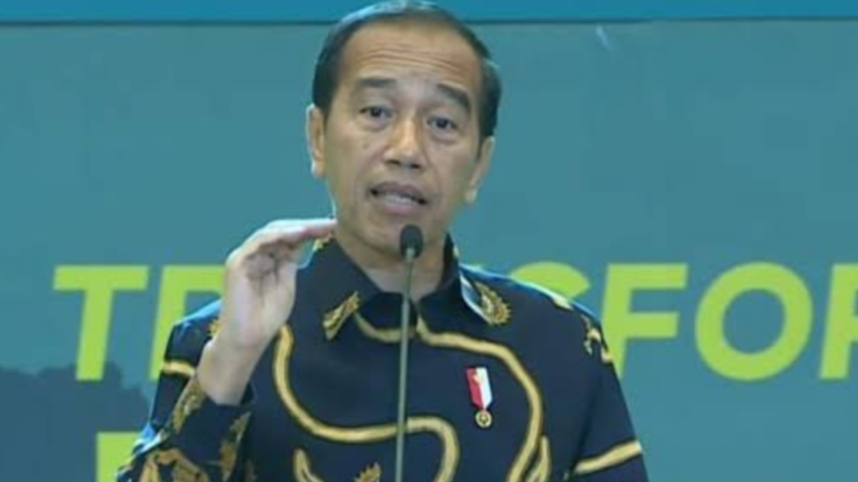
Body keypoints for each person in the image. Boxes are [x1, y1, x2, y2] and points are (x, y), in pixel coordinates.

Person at [116, 1, 649, 481]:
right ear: (318, 138)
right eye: (376, 113)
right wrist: (233, 358)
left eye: (442, 123)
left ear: (479, 166)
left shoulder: (561, 343)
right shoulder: (220, 338)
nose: (407, 149)